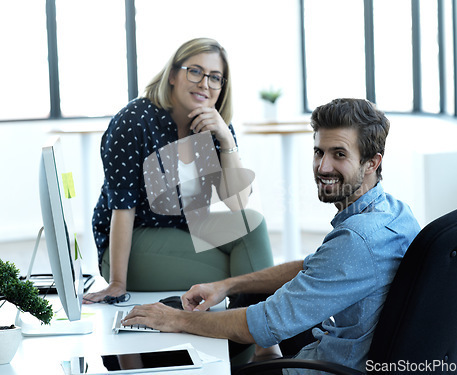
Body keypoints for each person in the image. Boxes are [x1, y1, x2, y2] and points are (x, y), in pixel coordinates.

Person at [121, 98, 422, 374]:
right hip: (340, 352)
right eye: (319, 151)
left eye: (339, 154)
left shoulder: (356, 240)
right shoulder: (393, 212)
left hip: (326, 367)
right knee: (248, 294)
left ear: (372, 162)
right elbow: (313, 266)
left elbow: (263, 324)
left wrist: (176, 320)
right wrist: (226, 284)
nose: (323, 166)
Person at [84, 38, 274, 304]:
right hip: (135, 239)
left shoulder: (214, 123)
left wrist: (226, 140)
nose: (204, 84)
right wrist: (117, 283)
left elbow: (238, 203)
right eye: (195, 71)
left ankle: (259, 343)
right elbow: (122, 209)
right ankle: (257, 343)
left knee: (252, 226)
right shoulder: (134, 121)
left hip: (185, 229)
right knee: (245, 273)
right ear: (173, 74)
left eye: (215, 77)